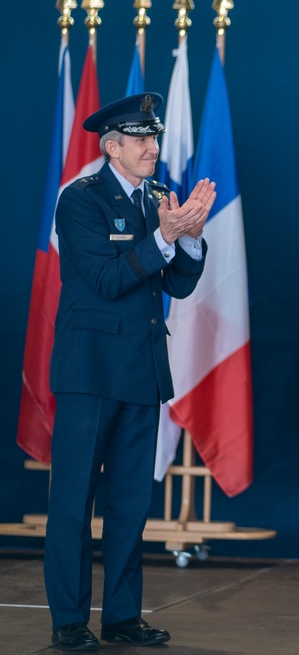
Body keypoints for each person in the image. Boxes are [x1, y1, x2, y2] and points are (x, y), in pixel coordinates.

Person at [44, 92, 216, 651]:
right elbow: (107, 279)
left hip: (141, 372)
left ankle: (121, 616)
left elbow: (178, 284)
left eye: (154, 137)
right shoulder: (81, 200)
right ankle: (70, 620)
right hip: (89, 373)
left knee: (130, 505)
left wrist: (188, 234)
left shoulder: (157, 200)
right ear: (111, 147)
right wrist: (166, 236)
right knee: (73, 502)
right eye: (139, 139)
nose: (151, 147)